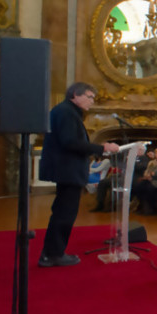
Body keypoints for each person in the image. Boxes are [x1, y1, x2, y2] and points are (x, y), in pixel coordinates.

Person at [38, 82, 119, 267]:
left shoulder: (65, 111)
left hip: (66, 170)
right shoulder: (67, 112)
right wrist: (103, 147)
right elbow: (70, 142)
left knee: (62, 212)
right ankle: (53, 255)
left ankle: (52, 253)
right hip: (68, 170)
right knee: (64, 214)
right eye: (90, 97)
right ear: (75, 94)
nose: (92, 101)